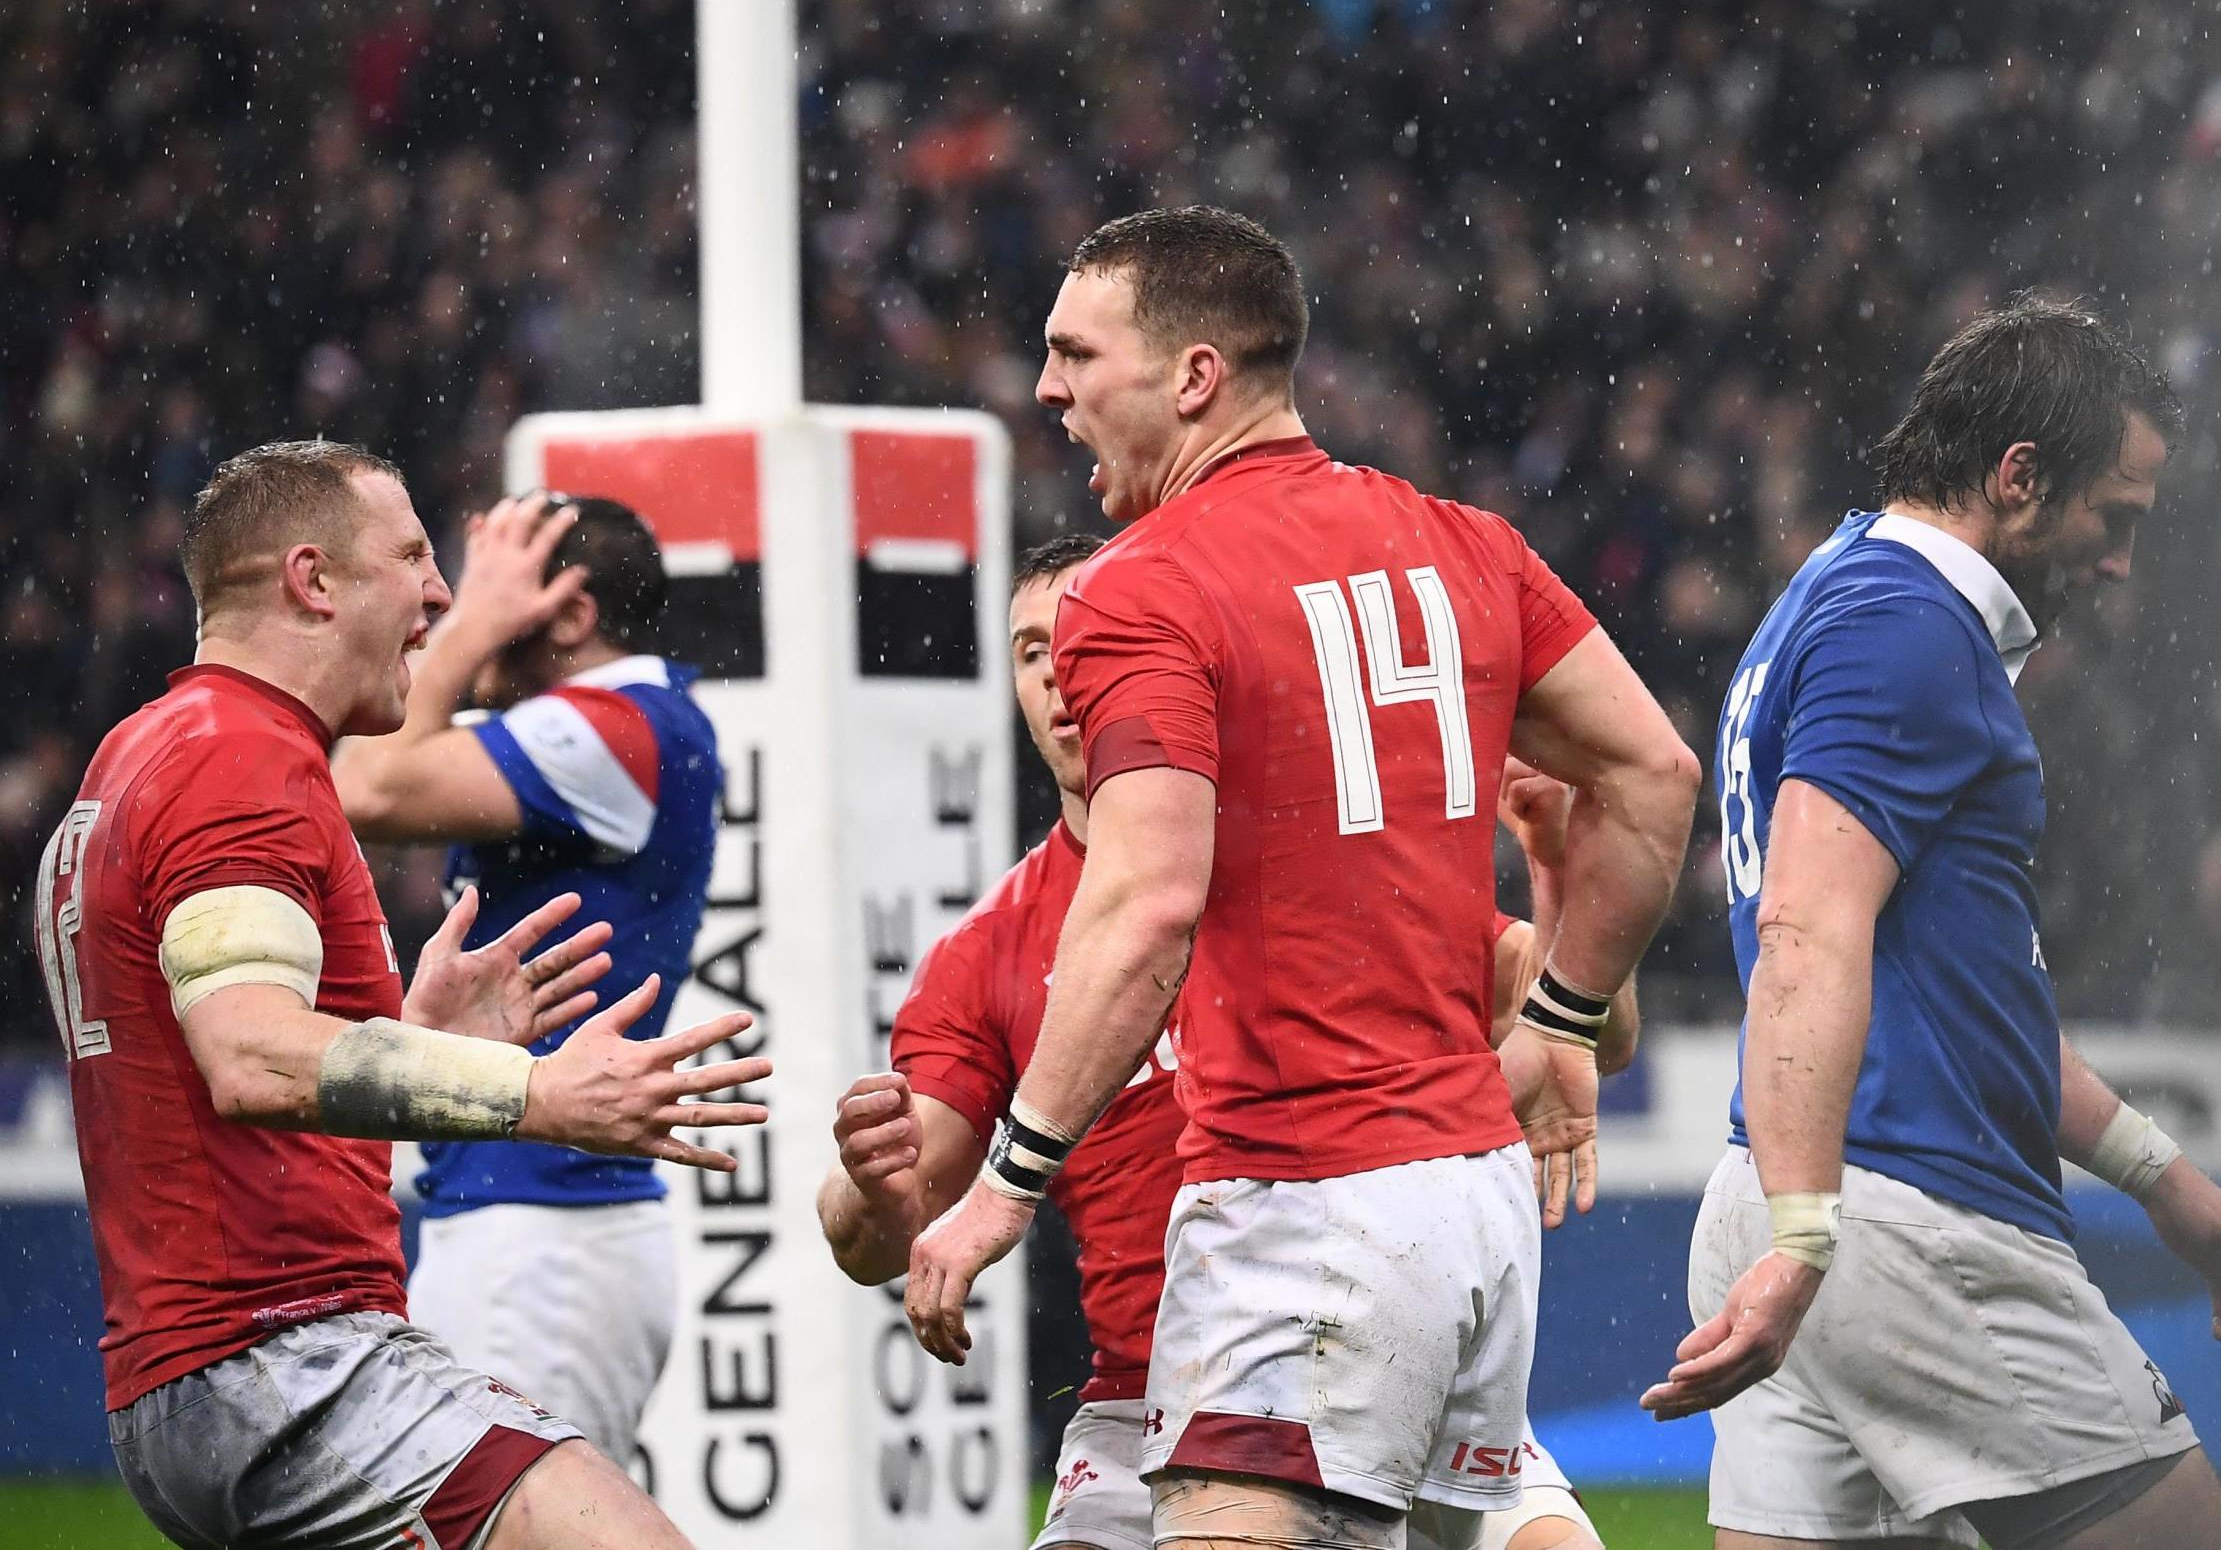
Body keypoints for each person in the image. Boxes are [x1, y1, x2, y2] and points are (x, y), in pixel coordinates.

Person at [904, 207, 1700, 1549]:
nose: (1046, 387)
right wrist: (1564, 1018)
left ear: (1193, 375)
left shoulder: (1138, 585)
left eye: (1075, 354)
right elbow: (1655, 774)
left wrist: (1006, 1185)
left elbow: (1148, 905)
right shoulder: (1463, 544)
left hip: (1302, 1199)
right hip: (1472, 1204)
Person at [823, 533, 1637, 1550]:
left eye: (1082, 639)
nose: (1061, 672)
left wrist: (1555, 873)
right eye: (1032, 650)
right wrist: (870, 1189)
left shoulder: (1318, 858)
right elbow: (878, 1235)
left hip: (1374, 1345)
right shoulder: (985, 953)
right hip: (1146, 1393)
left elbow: (1594, 1038)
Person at [35, 440, 767, 1550]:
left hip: (219, 1359)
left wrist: (413, 1038)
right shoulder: (237, 757)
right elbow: (250, 1056)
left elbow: (215, 1059)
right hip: (279, 1353)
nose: (440, 595)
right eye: (414, 556)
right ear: (313, 580)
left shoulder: (146, 749)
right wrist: (535, 1091)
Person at [1640, 297, 2221, 1549]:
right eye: (2112, 518)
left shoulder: (1831, 592)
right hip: (1910, 1213)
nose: (2118, 563)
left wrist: (2168, 1187)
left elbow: (1968, 1002)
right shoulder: (1907, 627)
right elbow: (1803, 929)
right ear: (2018, 476)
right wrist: (1811, 1237)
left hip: (1785, 1191)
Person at [332, 491, 719, 1464]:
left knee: (503, 1520)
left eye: (490, 585)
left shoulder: (620, 725)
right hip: (527, 1220)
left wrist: (468, 629)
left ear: (573, 613)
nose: (448, 608)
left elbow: (362, 785)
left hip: (546, 1234)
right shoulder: (609, 725)